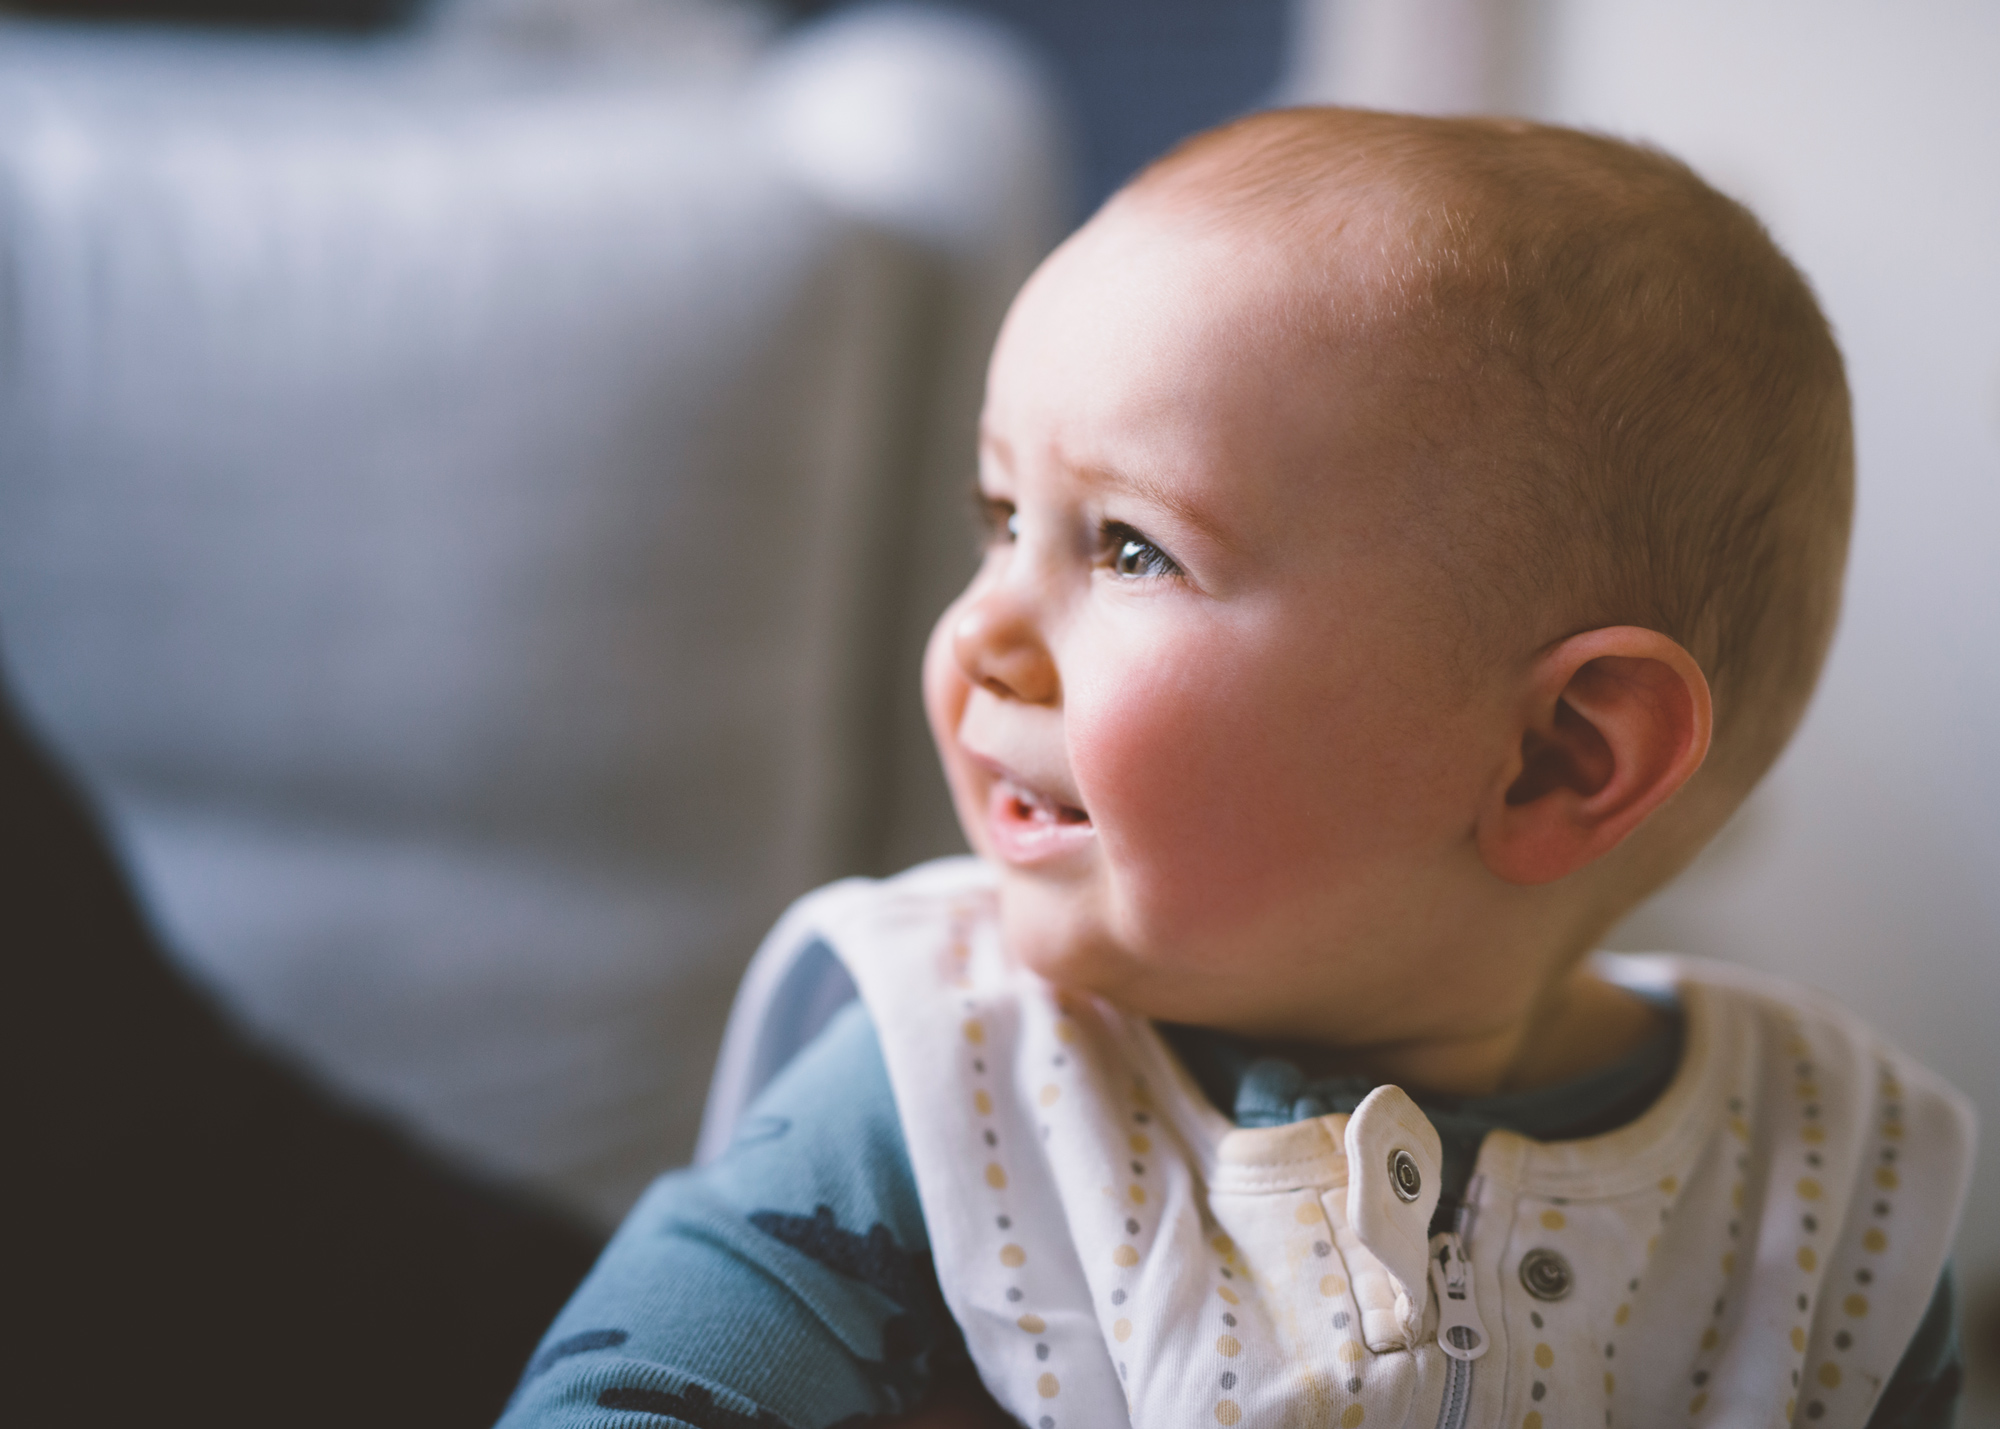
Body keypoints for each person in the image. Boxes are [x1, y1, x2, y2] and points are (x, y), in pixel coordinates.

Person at [496, 108, 1972, 1429]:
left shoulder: (1828, 1184)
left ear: (1555, 758)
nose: (981, 629)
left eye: (1130, 546)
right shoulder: (953, 1076)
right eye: (1001, 513)